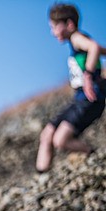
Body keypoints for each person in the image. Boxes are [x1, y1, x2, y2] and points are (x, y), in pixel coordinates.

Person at [36, 3, 105, 173]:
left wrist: (88, 75)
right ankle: (41, 175)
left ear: (69, 25)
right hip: (79, 99)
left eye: (54, 27)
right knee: (47, 134)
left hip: (89, 98)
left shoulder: (76, 38)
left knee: (60, 140)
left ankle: (93, 155)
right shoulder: (79, 41)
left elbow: (94, 47)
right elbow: (99, 49)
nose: (52, 32)